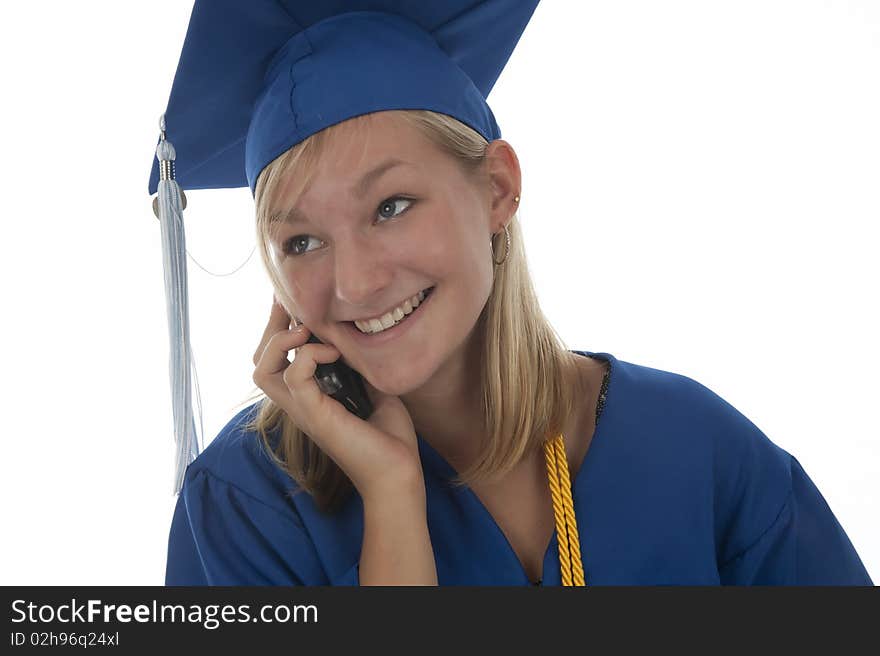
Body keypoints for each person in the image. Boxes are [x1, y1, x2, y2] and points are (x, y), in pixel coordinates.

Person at [152, 2, 873, 586]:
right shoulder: (242, 510)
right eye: (301, 242)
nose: (355, 284)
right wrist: (393, 497)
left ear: (496, 189)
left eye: (392, 206)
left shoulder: (698, 450)